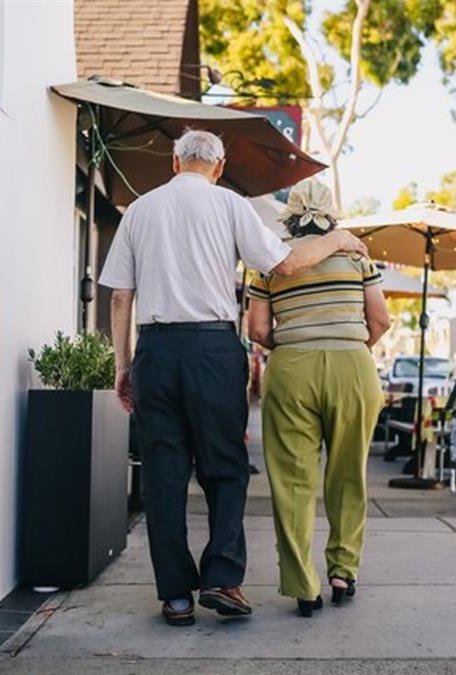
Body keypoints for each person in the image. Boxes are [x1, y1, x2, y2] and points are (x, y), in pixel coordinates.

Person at [99, 130, 369, 627]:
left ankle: (177, 597)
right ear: (219, 167)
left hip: (156, 350)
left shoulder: (139, 210)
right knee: (225, 467)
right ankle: (222, 579)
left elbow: (119, 296)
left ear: (175, 162)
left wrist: (123, 365)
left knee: (164, 476)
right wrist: (336, 239)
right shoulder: (231, 205)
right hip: (212, 350)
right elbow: (285, 264)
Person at [247, 179, 391, 617]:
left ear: (289, 214)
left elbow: (257, 329)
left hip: (292, 369)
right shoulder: (356, 256)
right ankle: (343, 572)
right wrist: (350, 347)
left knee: (293, 481)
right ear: (331, 214)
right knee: (349, 474)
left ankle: (303, 585)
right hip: (353, 367)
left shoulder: (271, 261)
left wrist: (297, 343)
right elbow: (380, 320)